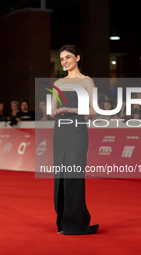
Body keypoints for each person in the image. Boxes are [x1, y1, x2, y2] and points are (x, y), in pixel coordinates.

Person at [50, 45, 99, 235]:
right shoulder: (58, 82)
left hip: (77, 130)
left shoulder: (87, 81)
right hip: (60, 131)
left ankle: (76, 223)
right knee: (60, 176)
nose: (65, 61)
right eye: (62, 58)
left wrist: (71, 110)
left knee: (74, 176)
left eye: (68, 57)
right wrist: (55, 111)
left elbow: (95, 110)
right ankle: (62, 222)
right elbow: (52, 110)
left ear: (78, 57)